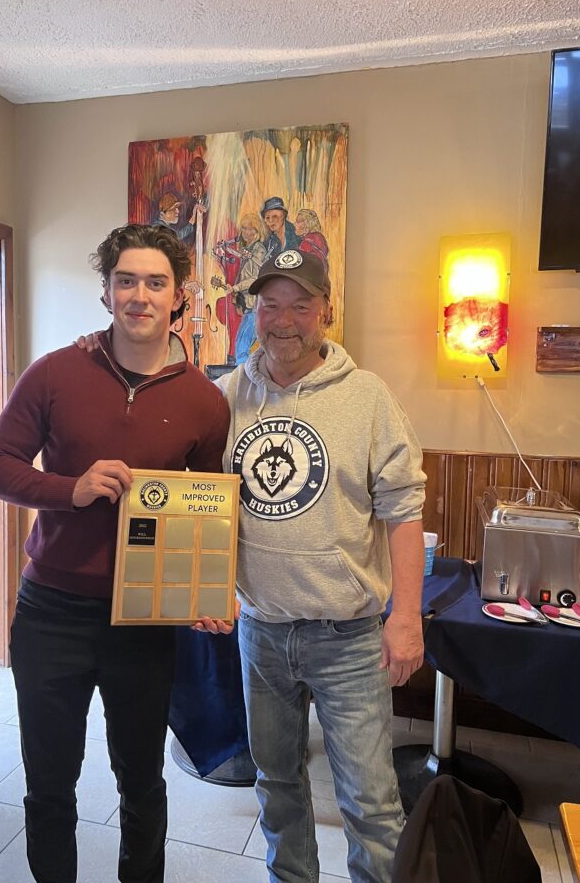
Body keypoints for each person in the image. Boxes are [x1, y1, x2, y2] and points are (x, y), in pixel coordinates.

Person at [0, 223, 230, 883]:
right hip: (51, 612)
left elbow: (203, 512)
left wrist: (205, 591)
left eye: (155, 283)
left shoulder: (205, 402)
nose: (139, 296)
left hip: (143, 621)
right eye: (125, 281)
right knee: (49, 782)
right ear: (106, 292)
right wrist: (70, 488)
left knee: (141, 782)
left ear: (179, 298)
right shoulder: (55, 373)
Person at [210, 248, 426, 883]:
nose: (284, 320)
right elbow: (202, 503)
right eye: (270, 304)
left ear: (326, 311)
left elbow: (404, 511)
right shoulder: (226, 396)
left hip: (349, 637)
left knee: (371, 804)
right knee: (277, 787)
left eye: (300, 305)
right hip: (261, 631)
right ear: (253, 311)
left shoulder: (368, 397)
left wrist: (406, 617)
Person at [211, 212, 267, 364]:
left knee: (241, 350)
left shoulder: (259, 250)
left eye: (250, 229)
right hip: (249, 307)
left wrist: (235, 288)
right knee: (239, 348)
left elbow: (256, 278)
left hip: (255, 307)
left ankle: (244, 376)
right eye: (244, 228)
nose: (246, 232)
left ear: (257, 230)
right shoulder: (248, 249)